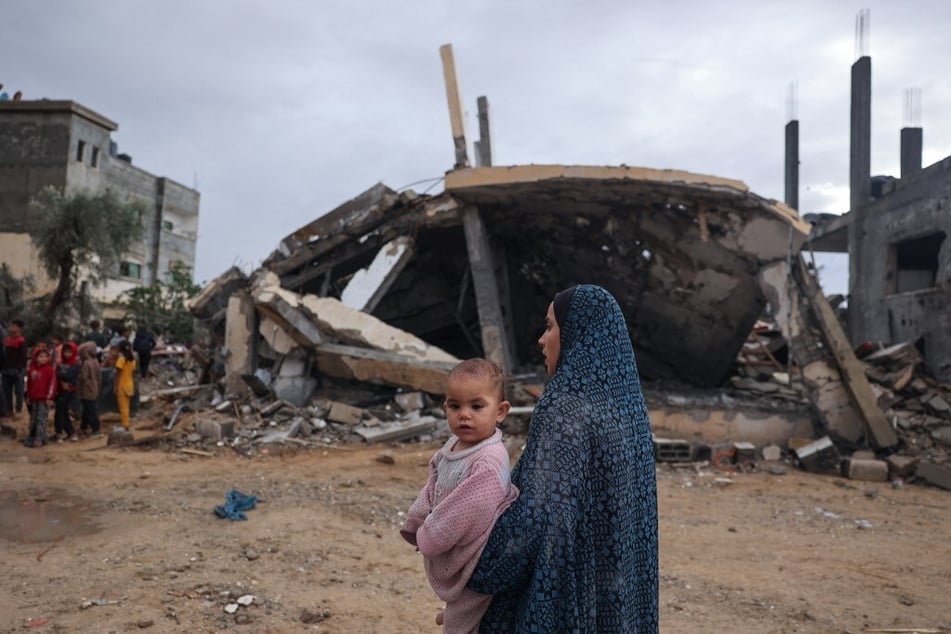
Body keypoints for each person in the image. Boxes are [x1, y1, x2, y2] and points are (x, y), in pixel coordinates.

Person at [468, 284, 659, 632]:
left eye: (551, 327)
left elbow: (536, 518)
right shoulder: (628, 410)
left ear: (577, 333)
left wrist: (475, 577)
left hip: (569, 609)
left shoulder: (564, 409)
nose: (542, 340)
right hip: (616, 605)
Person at [401, 358, 519, 633]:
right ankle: (457, 614)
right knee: (462, 607)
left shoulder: (488, 461)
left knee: (464, 612)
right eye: (455, 406)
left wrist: (429, 536)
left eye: (476, 406)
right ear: (445, 408)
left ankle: (457, 621)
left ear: (500, 411)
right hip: (453, 547)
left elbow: (465, 510)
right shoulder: (453, 446)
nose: (464, 414)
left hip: (479, 556)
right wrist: (416, 523)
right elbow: (433, 484)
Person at [23, 347, 56, 448]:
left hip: (44, 399)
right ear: (35, 357)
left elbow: (52, 385)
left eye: (46, 356)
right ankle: (35, 436)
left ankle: (39, 438)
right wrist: (28, 396)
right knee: (34, 418)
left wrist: (50, 397)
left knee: (41, 418)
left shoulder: (49, 370)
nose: (44, 359)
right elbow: (29, 385)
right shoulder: (31, 370)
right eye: (41, 356)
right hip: (34, 399)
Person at [53, 341, 81, 442]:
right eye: (65, 352)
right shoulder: (61, 364)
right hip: (60, 390)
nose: (67, 354)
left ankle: (60, 432)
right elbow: (57, 375)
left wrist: (61, 377)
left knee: (61, 410)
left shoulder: (76, 364)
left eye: (69, 352)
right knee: (62, 410)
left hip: (69, 390)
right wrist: (62, 380)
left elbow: (70, 377)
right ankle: (69, 432)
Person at [2, 319, 28, 418]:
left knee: (19, 391)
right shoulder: (7, 340)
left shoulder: (21, 341)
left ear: (19, 328)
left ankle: (18, 410)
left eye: (14, 326)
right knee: (6, 391)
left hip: (17, 370)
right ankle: (9, 410)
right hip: (6, 369)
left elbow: (23, 357)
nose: (11, 328)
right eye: (11, 325)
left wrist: (19, 368)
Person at [77, 341, 102, 437]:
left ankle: (96, 428)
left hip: (87, 390)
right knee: (87, 409)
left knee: (90, 409)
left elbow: (83, 377)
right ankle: (83, 427)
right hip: (95, 388)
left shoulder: (86, 363)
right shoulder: (96, 361)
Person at [114, 339, 136, 431]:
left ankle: (125, 425)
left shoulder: (121, 360)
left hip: (122, 386)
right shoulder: (132, 360)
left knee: (123, 407)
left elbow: (118, 375)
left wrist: (115, 387)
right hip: (130, 385)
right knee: (127, 406)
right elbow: (133, 372)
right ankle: (126, 424)